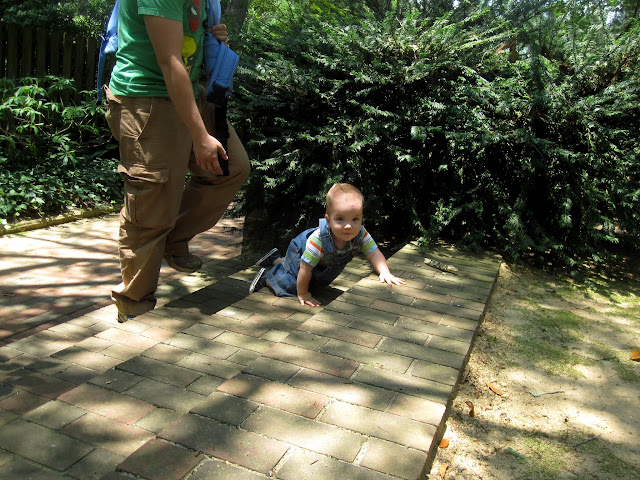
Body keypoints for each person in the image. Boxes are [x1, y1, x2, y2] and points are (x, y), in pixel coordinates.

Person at [103, 0, 250, 322]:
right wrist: (200, 136)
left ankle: (172, 239)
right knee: (151, 207)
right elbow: (169, 61)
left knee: (231, 168)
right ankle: (135, 308)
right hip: (147, 100)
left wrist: (211, 38)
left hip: (188, 92)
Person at [249, 183, 405, 306]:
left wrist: (385, 272)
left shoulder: (361, 234)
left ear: (361, 218)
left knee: (311, 280)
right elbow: (305, 269)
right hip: (301, 253)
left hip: (317, 263)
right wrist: (303, 294)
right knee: (292, 285)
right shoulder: (318, 241)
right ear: (328, 220)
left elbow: (373, 253)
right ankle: (266, 277)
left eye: (355, 219)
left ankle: (275, 258)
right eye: (340, 219)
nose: (348, 226)